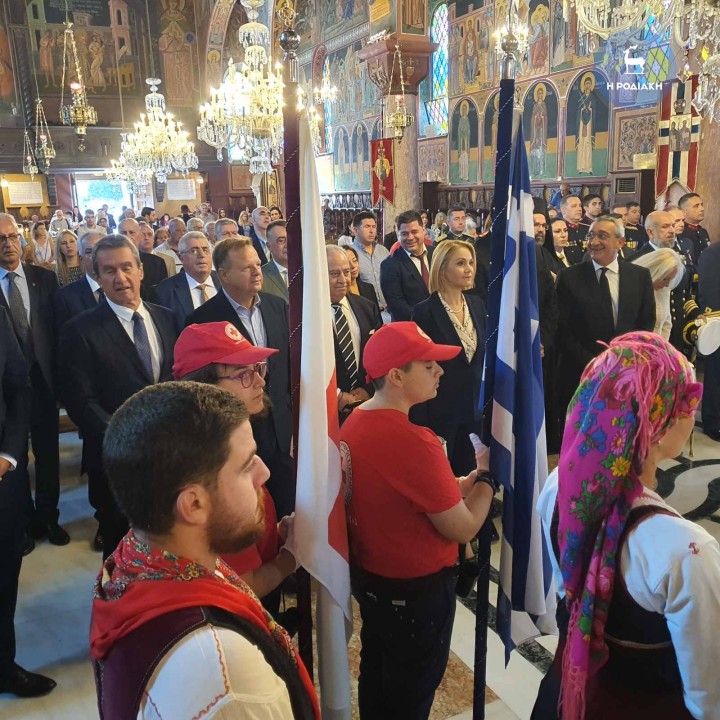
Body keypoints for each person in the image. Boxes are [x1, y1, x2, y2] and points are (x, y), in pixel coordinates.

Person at [90, 382, 319, 720]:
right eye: (246, 465)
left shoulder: (135, 557)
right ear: (193, 504)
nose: (264, 472)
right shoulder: (226, 677)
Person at [533, 332, 718, 720]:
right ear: (659, 425)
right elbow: (709, 697)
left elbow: (571, 590)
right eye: (688, 402)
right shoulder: (685, 550)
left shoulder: (557, 486)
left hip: (564, 694)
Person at [340, 321, 496, 719]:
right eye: (428, 366)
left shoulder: (355, 420)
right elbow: (463, 527)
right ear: (396, 376)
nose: (440, 371)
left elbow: (399, 490)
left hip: (373, 579)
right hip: (416, 592)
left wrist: (458, 484)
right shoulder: (412, 440)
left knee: (378, 676)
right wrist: (486, 480)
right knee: (410, 692)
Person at [58, 234, 178, 558]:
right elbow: (81, 402)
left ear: (141, 270)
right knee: (122, 550)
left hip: (170, 456)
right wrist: (129, 441)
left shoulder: (167, 317)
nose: (120, 277)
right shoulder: (79, 330)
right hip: (116, 461)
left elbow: (178, 380)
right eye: (109, 270)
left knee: (168, 545)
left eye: (127, 267)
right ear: (97, 277)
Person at [172, 323, 297, 619]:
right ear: (205, 388)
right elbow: (242, 586)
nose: (260, 382)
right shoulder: (211, 469)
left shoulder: (228, 441)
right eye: (244, 374)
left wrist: (275, 536)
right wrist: (291, 557)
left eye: (258, 369)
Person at [186, 237, 293, 517]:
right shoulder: (203, 319)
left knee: (285, 507)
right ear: (224, 275)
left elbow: (287, 367)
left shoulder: (277, 306)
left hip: (281, 430)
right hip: (236, 433)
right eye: (247, 267)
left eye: (258, 264)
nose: (257, 271)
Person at [0, 213, 67, 548]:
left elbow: (57, 332)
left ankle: (48, 517)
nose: (8, 244)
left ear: (21, 239)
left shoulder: (45, 278)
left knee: (47, 454)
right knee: (14, 456)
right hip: (6, 390)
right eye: (1, 239)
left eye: (12, 237)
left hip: (43, 382)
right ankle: (24, 522)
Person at [0, 307, 56, 698]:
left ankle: (4, 667)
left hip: (3, 475)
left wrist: (8, 454)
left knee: (4, 577)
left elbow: (18, 386)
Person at [555, 216, 656, 421]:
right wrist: (594, 363)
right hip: (581, 372)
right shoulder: (569, 277)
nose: (594, 242)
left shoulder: (639, 276)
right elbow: (563, 328)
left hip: (626, 372)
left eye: (602, 236)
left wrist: (626, 359)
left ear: (620, 242)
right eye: (590, 235)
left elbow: (646, 323)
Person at [411, 240, 485, 474]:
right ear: (442, 269)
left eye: (471, 263)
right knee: (441, 475)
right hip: (440, 409)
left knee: (471, 472)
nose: (469, 269)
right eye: (461, 263)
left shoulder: (477, 304)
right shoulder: (424, 311)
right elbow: (419, 365)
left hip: (474, 409)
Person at [326, 246, 381, 419]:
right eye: (334, 274)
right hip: (325, 413)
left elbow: (380, 356)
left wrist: (368, 389)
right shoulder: (304, 316)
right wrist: (337, 395)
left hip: (366, 404)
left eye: (347, 272)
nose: (343, 280)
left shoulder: (367, 308)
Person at [154, 231, 220, 332]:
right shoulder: (164, 291)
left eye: (205, 250)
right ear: (181, 258)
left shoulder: (226, 281)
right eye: (194, 251)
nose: (201, 255)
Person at [380, 210, 434, 321]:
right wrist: (428, 320)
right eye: (404, 234)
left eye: (414, 232)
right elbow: (397, 305)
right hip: (410, 325)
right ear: (398, 235)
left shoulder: (437, 254)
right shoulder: (389, 265)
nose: (410, 237)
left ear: (423, 230)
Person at [54, 230, 105, 331]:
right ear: (81, 258)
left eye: (100, 249)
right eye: (89, 252)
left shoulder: (121, 287)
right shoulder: (65, 296)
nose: (96, 256)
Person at [698, 240, 720, 442]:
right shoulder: (713, 254)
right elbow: (710, 294)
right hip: (718, 324)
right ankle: (714, 422)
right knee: (716, 375)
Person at [118, 217, 169, 292]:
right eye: (123, 233)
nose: (128, 237)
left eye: (132, 232)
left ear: (140, 236)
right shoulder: (111, 263)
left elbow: (163, 292)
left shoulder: (157, 263)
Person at [261, 220, 290, 302]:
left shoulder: (308, 271)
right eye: (281, 241)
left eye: (291, 239)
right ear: (269, 246)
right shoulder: (260, 276)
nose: (287, 245)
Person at [678, 192, 710, 266]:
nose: (702, 209)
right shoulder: (680, 232)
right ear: (683, 212)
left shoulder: (703, 231)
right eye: (696, 206)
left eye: (702, 205)